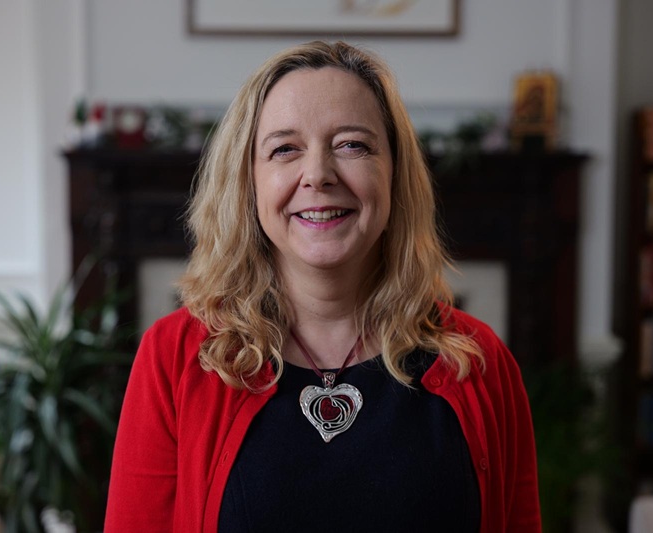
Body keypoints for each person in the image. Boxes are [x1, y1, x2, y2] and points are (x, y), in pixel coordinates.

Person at [104, 41, 540, 533]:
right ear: (248, 181)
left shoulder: (480, 362)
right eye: (284, 149)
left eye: (352, 144)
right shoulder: (173, 357)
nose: (317, 175)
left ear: (394, 173)